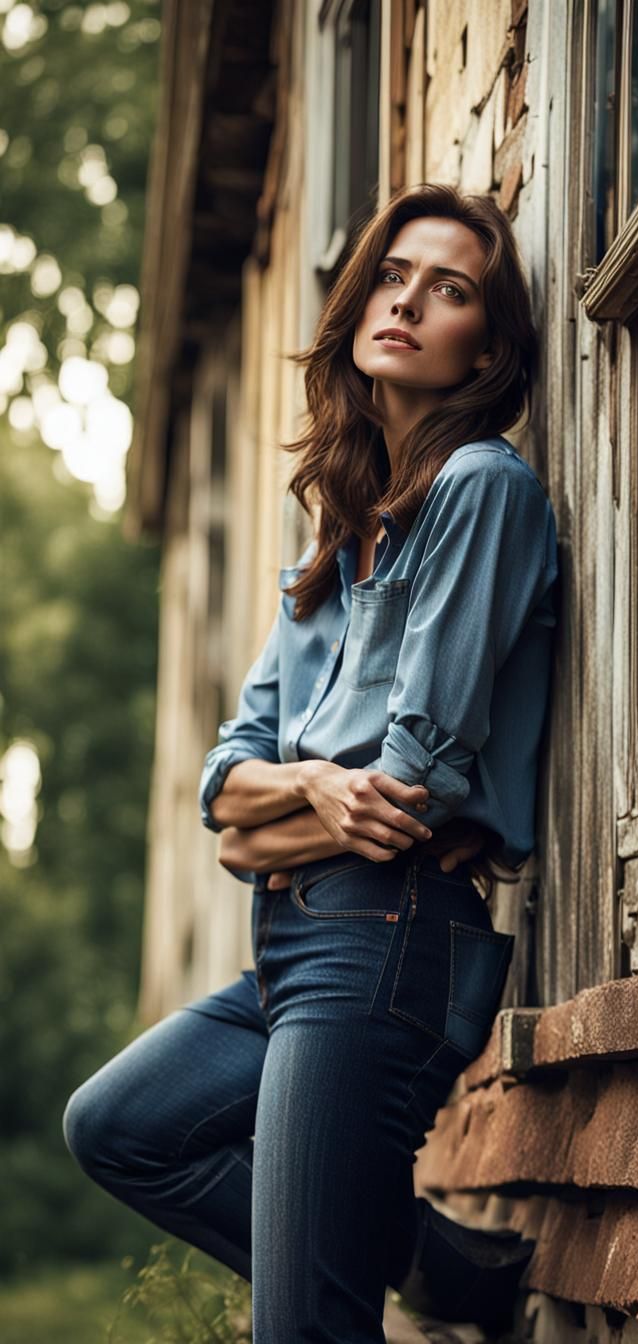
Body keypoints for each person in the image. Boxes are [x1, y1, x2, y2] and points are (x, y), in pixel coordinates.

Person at [63, 183, 559, 1342]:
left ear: (482, 345)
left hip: (387, 937)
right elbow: (221, 789)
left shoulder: (481, 488)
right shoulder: (335, 544)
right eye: (394, 275)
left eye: (450, 291)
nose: (408, 301)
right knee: (118, 1125)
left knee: (302, 1326)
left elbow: (406, 788)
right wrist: (309, 794)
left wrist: (277, 815)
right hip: (295, 948)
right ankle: (431, 1260)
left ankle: (398, 1261)